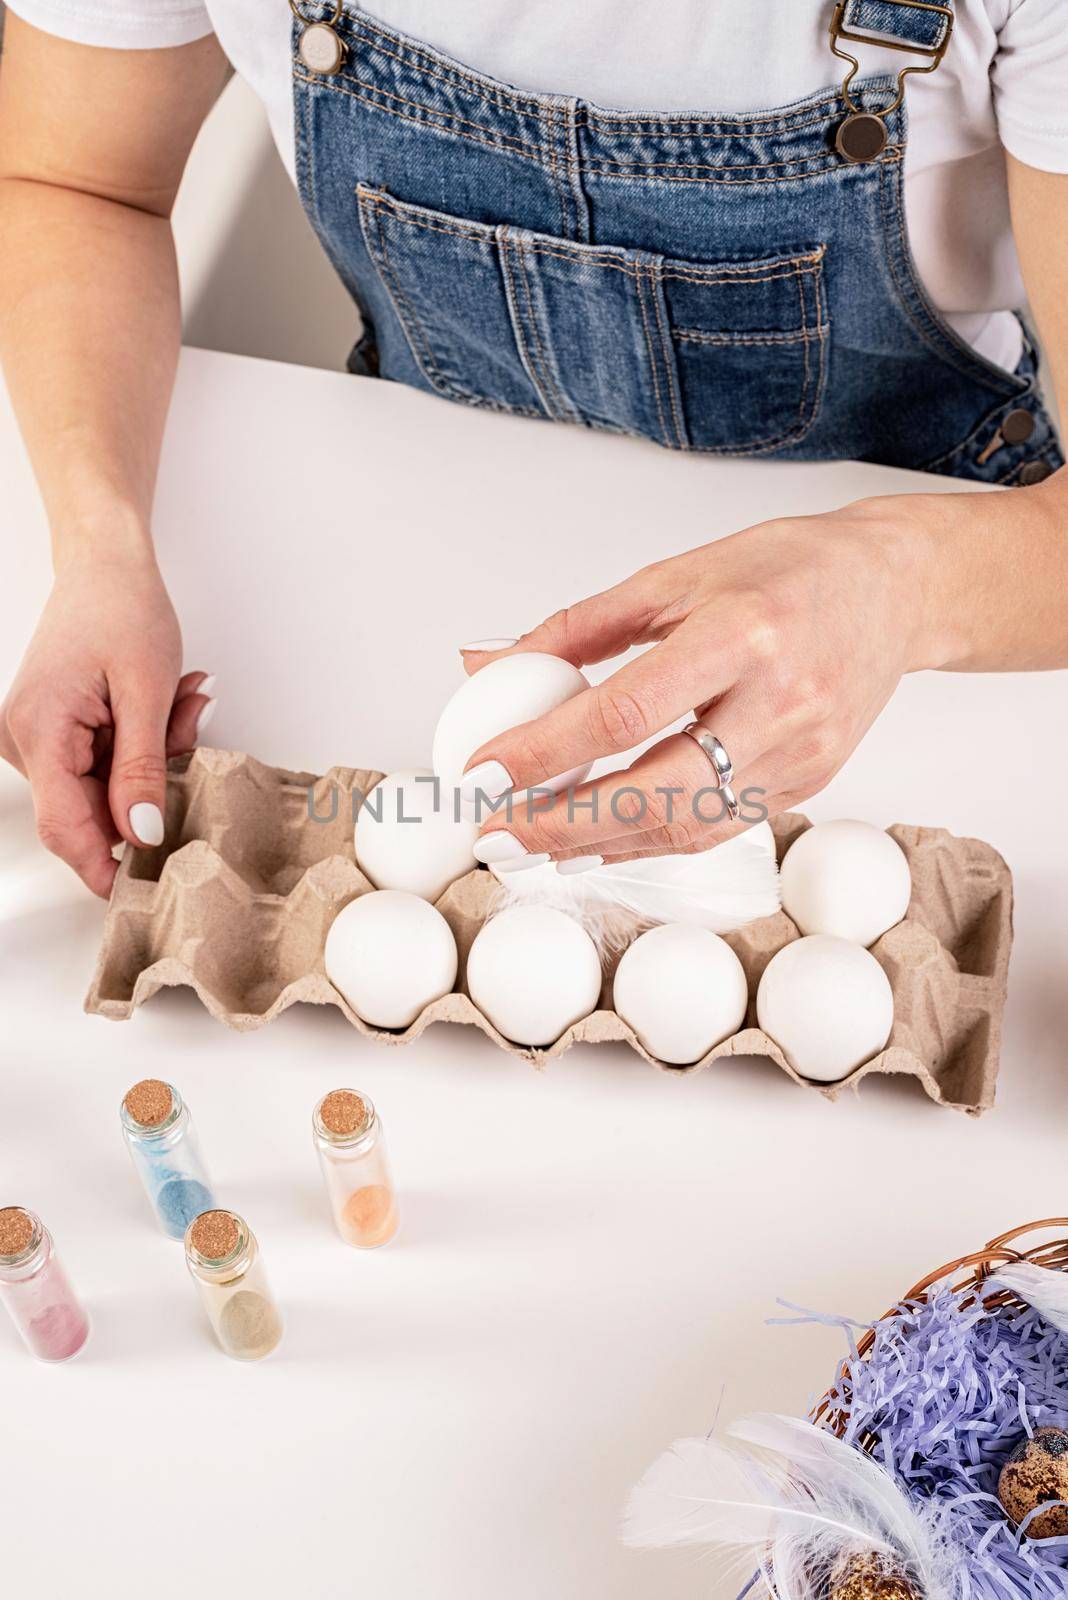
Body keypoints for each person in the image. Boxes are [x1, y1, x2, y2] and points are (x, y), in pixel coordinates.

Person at [0, 1, 1065, 894]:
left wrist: (898, 587)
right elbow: (74, 182)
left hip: (945, 647)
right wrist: (101, 547)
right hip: (409, 571)